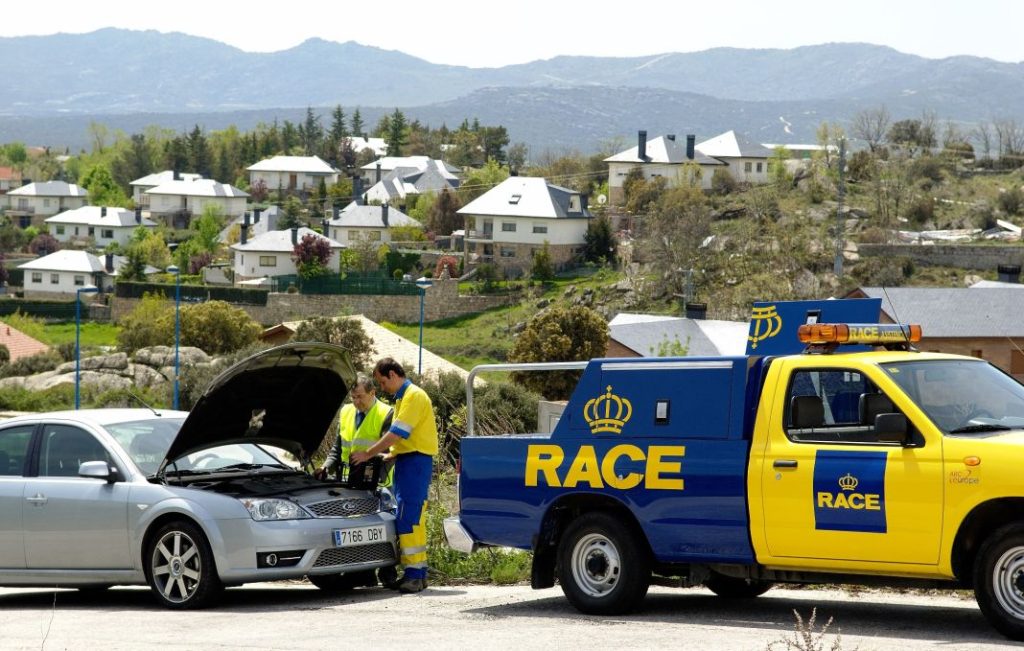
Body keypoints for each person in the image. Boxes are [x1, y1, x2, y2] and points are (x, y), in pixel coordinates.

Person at [351, 357, 438, 594]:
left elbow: (397, 433)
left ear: (392, 374)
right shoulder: (403, 397)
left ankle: (414, 575)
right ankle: (417, 573)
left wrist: (368, 453)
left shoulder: (413, 396)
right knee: (411, 518)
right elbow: (408, 437)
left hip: (415, 463)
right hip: (408, 461)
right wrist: (392, 455)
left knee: (408, 518)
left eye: (382, 382)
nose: (382, 387)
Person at [316, 374, 393, 482]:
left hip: (373, 483)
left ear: (372, 393)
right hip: (344, 481)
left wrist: (374, 480)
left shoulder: (387, 414)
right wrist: (325, 468)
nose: (356, 402)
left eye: (360, 396)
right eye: (353, 397)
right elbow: (337, 449)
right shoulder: (345, 411)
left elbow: (389, 455)